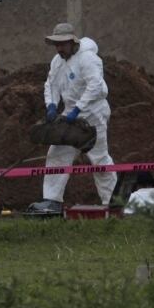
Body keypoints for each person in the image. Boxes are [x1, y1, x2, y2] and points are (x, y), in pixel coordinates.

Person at [26, 22, 117, 215]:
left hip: (93, 114)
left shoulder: (88, 59)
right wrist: (51, 104)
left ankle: (114, 202)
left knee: (99, 158)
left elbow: (95, 87)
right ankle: (52, 201)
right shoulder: (57, 61)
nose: (59, 48)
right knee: (57, 154)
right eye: (56, 44)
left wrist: (78, 109)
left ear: (72, 41)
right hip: (69, 114)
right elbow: (50, 84)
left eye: (62, 44)